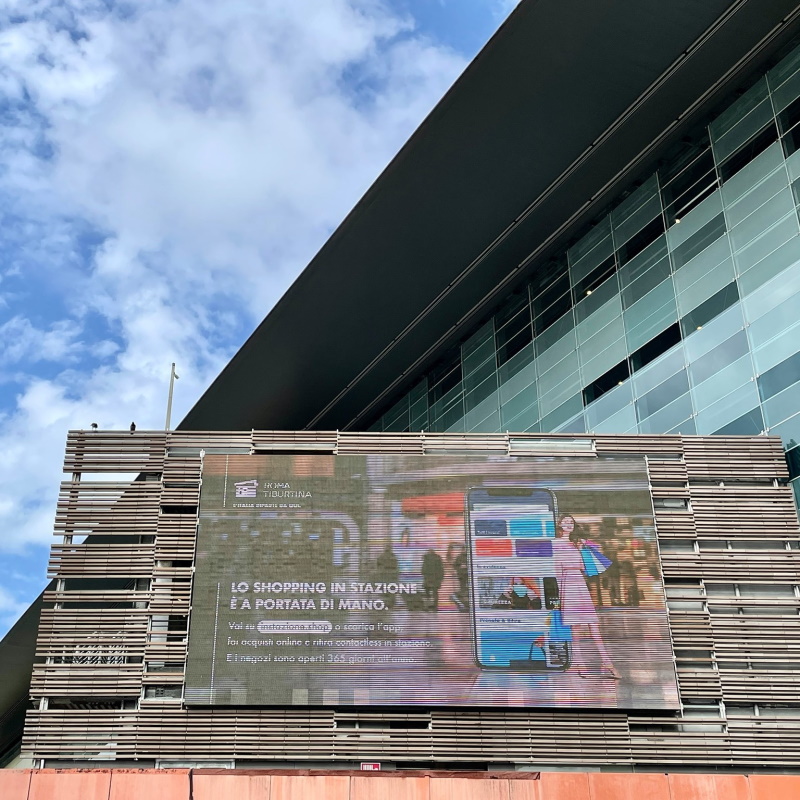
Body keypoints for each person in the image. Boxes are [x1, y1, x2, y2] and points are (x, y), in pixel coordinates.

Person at [552, 514, 620, 679]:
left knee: (593, 625)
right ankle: (580, 663)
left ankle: (606, 661)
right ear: (559, 525)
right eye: (565, 522)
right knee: (575, 627)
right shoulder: (555, 544)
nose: (569, 525)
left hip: (579, 583)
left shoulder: (577, 543)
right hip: (567, 585)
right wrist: (560, 595)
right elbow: (556, 569)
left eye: (571, 522)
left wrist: (584, 548)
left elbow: (586, 566)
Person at [376, 543, 399, 609]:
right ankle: (390, 604)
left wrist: (379, 572)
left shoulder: (381, 556)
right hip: (391, 575)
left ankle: (386, 603)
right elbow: (396, 566)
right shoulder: (393, 556)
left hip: (385, 574)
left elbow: (378, 565)